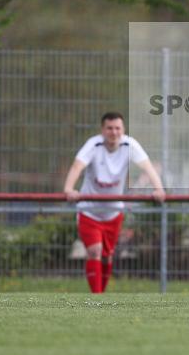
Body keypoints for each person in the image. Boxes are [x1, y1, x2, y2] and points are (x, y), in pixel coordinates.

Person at [63, 112, 166, 293]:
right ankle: (96, 297)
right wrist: (69, 189)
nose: (114, 132)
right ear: (102, 130)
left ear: (123, 130)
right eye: (109, 128)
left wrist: (159, 189)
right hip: (89, 211)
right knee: (94, 251)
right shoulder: (93, 145)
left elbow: (147, 166)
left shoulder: (129, 145)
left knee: (106, 256)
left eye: (117, 128)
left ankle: (101, 296)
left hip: (113, 212)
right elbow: (77, 166)